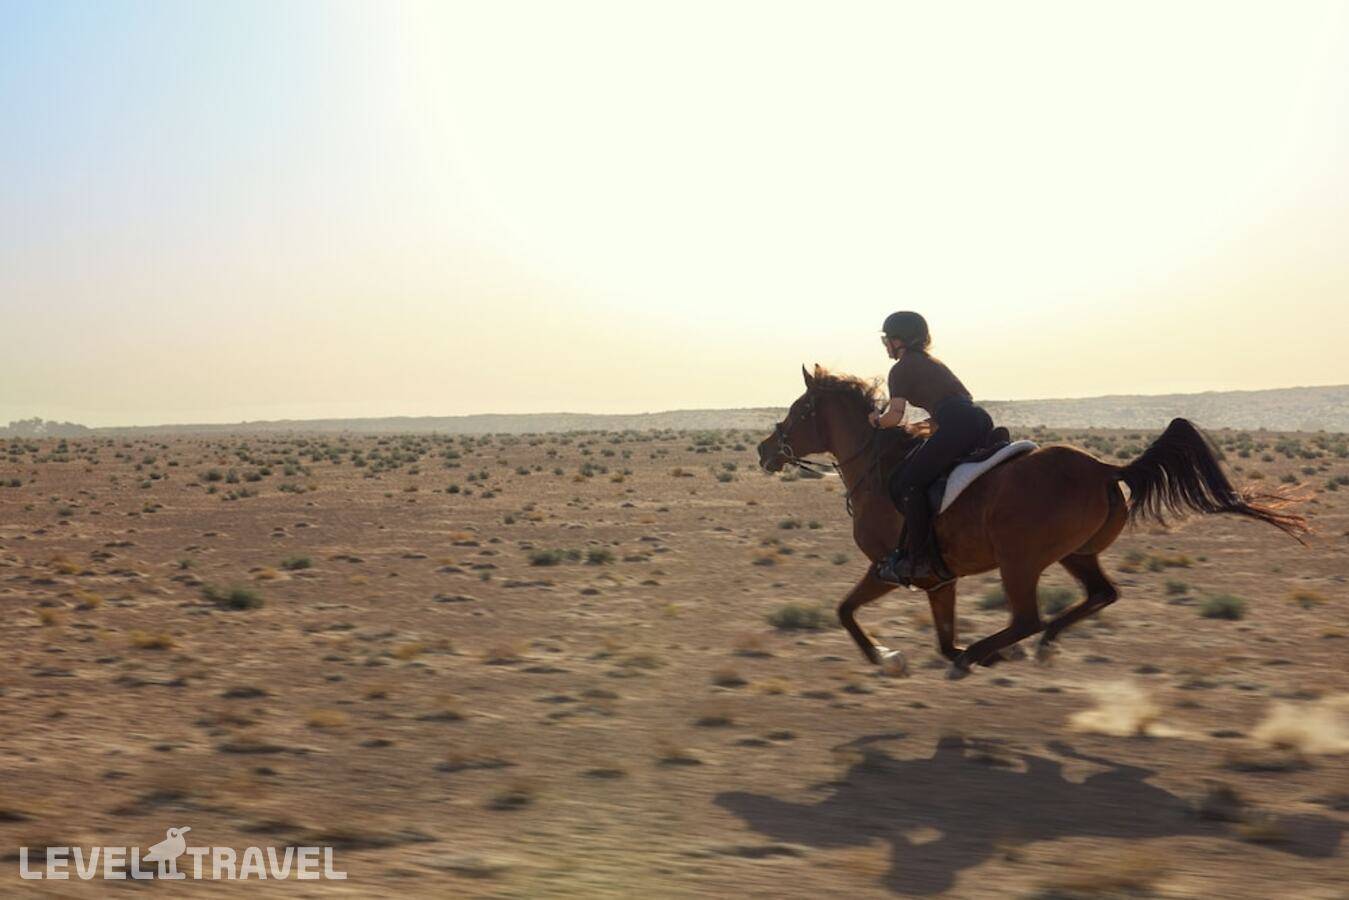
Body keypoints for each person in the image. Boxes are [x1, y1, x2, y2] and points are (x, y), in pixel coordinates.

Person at [869, 311, 993, 585]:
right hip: (977, 419)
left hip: (957, 424)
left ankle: (919, 558)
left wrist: (876, 421)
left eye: (886, 340)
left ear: (898, 340)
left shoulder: (900, 368)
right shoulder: (933, 363)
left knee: (907, 482)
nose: (886, 346)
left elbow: (895, 416)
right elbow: (957, 401)